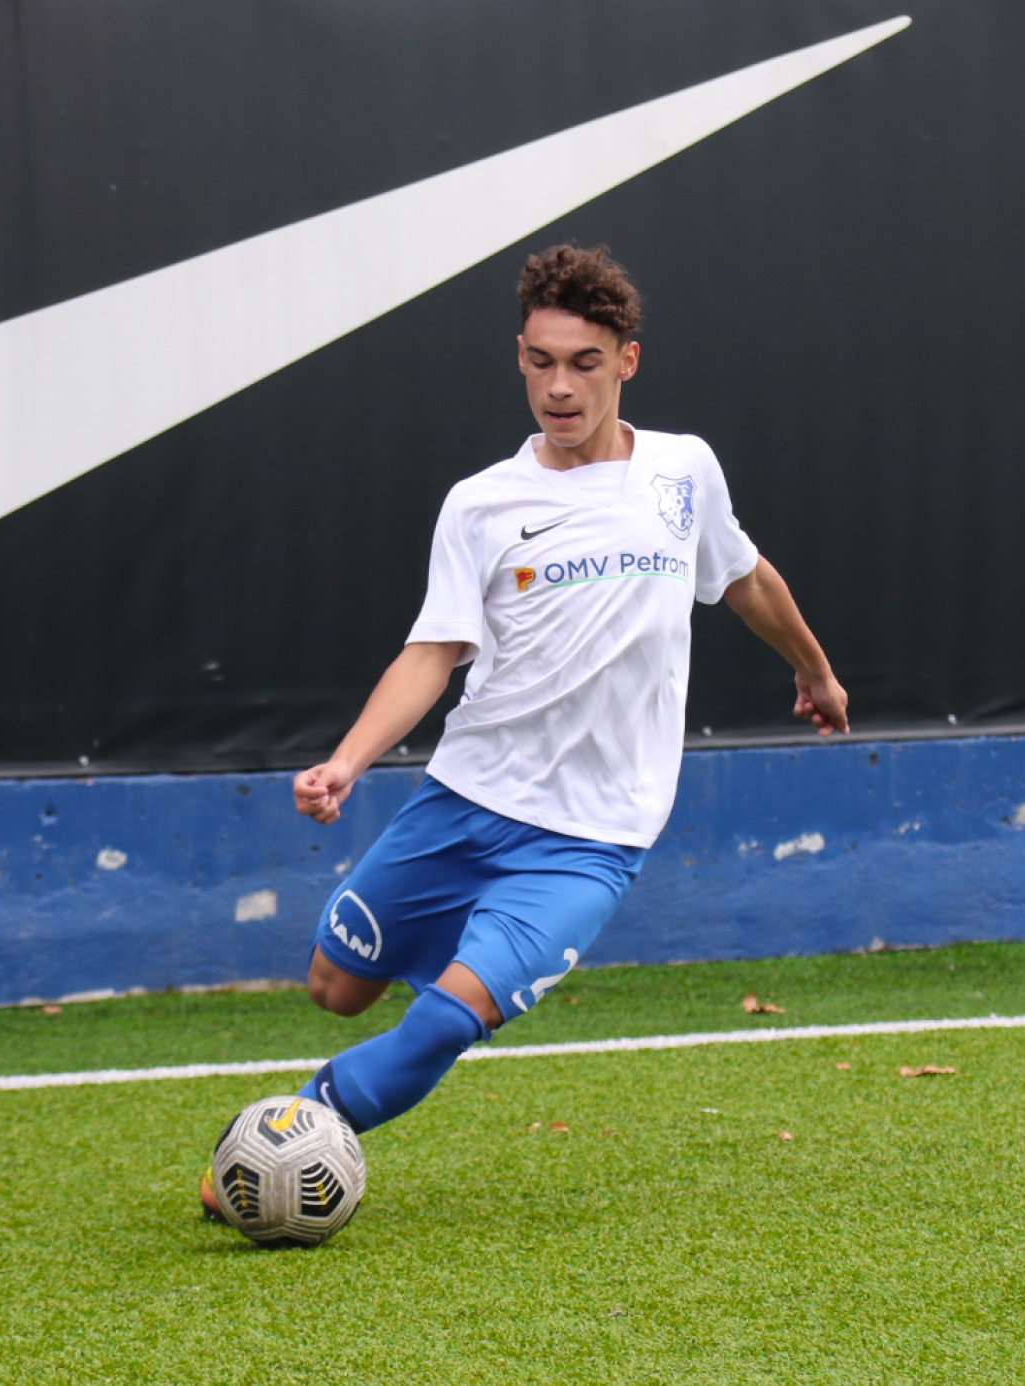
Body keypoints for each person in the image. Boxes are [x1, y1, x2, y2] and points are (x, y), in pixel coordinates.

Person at [203, 244, 847, 1211]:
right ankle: (445, 953)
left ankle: (274, 1149)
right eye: (541, 362)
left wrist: (815, 671)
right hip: (466, 801)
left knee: (443, 1023)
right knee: (335, 990)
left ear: (627, 361)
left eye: (584, 363)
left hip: (593, 838)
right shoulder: (481, 504)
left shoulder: (683, 471)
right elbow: (433, 652)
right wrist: (347, 762)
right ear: (519, 357)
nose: (560, 387)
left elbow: (746, 578)